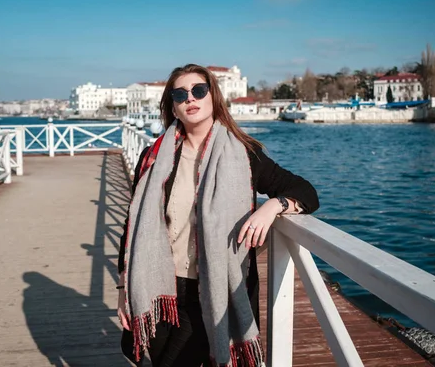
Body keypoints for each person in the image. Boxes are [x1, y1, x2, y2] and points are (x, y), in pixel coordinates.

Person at [117, 64, 319, 366]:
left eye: (199, 90)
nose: (190, 99)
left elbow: (305, 192)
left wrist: (273, 206)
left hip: (213, 289)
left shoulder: (244, 154)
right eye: (180, 93)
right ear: (172, 105)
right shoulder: (153, 156)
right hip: (158, 286)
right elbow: (131, 226)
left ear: (214, 97)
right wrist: (124, 289)